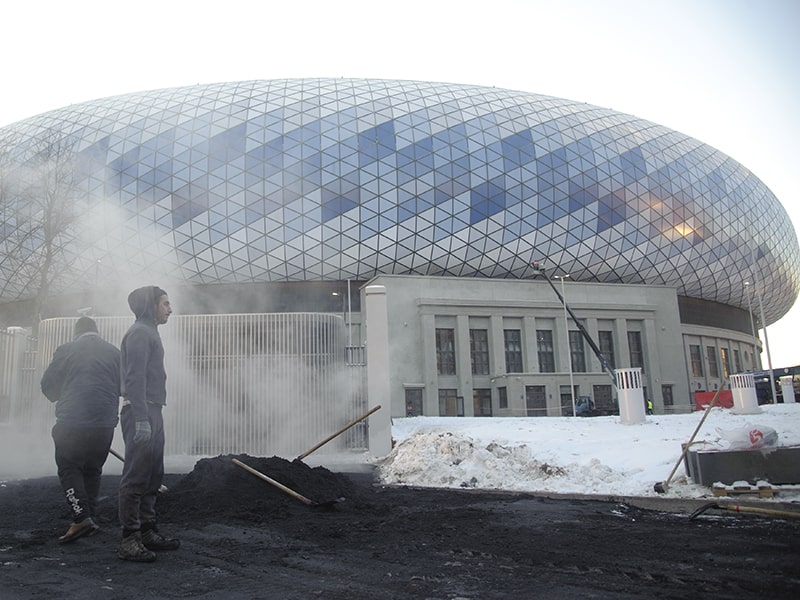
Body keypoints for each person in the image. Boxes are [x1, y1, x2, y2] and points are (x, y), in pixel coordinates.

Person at [40, 316, 121, 543]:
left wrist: (59, 396)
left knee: (69, 468)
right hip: (105, 424)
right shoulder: (114, 352)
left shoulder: (67, 349)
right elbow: (124, 385)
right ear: (97, 332)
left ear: (76, 333)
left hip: (72, 422)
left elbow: (48, 385)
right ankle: (90, 516)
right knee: (93, 469)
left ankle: (81, 518)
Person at [117, 286, 179, 562]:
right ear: (150, 306)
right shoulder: (140, 333)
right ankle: (130, 538)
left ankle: (146, 529)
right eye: (165, 303)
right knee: (137, 475)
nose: (170, 308)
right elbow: (134, 379)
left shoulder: (149, 332)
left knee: (154, 473)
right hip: (141, 412)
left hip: (152, 411)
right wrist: (141, 418)